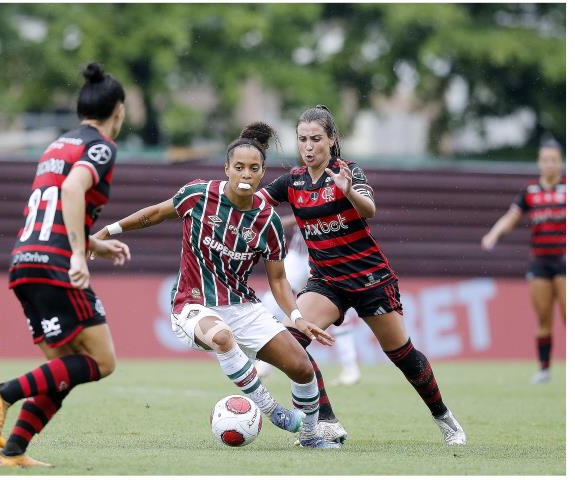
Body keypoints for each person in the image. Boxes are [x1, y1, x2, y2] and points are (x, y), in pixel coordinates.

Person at [95, 122, 340, 449]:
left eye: (254, 169)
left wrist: (296, 317)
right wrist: (106, 233)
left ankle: (310, 435)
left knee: (301, 366)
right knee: (222, 337)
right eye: (238, 167)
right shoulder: (198, 195)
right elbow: (153, 214)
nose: (245, 174)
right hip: (192, 304)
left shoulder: (266, 220)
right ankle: (273, 411)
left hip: (243, 307)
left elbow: (278, 280)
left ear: (262, 173)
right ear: (226, 169)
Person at [256, 105, 466, 446]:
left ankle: (443, 416)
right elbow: (253, 203)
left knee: (402, 354)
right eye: (302, 140)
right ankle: (325, 421)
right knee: (289, 344)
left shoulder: (348, 171)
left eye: (316, 139)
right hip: (326, 283)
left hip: (370, 280)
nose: (308, 147)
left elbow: (369, 209)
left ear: (332, 139)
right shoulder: (291, 181)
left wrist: (348, 190)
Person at [0, 62, 132, 468]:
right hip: (55, 265)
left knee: (65, 367)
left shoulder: (55, 146)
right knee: (102, 362)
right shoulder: (100, 146)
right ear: (119, 110)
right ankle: (3, 392)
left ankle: (12, 452)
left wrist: (96, 243)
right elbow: (72, 188)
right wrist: (80, 254)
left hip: (25, 261)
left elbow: (53, 208)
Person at [482, 139, 566, 384]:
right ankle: (544, 369)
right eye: (546, 160)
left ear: (560, 163)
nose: (550, 164)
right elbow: (511, 217)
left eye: (554, 160)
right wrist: (493, 235)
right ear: (540, 163)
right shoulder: (530, 192)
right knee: (543, 318)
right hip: (540, 262)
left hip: (565, 262)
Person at [258, 218, 362, 387]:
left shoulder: (335, 195)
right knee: (272, 303)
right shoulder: (304, 194)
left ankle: (350, 367)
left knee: (336, 306)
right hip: (299, 255)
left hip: (326, 255)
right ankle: (265, 362)